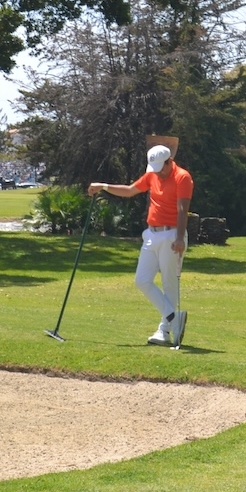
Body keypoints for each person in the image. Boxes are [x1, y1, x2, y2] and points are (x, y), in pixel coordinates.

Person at [88, 144, 192, 347]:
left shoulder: (182, 177)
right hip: (151, 234)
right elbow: (130, 191)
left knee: (169, 284)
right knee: (142, 280)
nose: (158, 173)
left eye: (161, 168)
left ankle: (164, 331)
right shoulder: (152, 175)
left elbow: (182, 210)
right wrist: (104, 186)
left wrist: (180, 238)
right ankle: (174, 318)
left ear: (169, 162)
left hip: (172, 235)